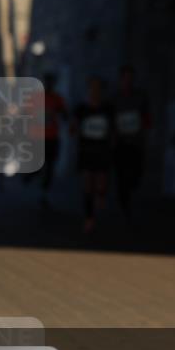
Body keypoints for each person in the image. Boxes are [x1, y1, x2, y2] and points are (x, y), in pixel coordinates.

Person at [71, 76, 114, 233]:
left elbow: (113, 130)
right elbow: (72, 128)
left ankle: (101, 196)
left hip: (103, 151)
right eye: (92, 88)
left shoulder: (108, 109)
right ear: (88, 90)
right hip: (87, 151)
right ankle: (89, 218)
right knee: (88, 185)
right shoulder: (82, 109)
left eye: (98, 88)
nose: (95, 91)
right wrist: (74, 127)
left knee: (101, 183)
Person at [113, 65, 151, 220]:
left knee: (136, 173)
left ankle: (129, 192)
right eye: (125, 78)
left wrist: (146, 128)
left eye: (130, 78)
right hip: (120, 143)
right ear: (121, 79)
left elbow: (146, 116)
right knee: (122, 176)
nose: (128, 81)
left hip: (136, 142)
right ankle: (124, 205)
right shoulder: (115, 98)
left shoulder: (140, 97)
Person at [25, 73, 68, 207]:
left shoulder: (57, 99)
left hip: (52, 138)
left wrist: (63, 115)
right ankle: (31, 175)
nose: (49, 85)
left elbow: (65, 113)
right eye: (47, 82)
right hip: (37, 139)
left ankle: (45, 193)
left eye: (51, 82)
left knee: (49, 166)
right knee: (38, 166)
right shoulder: (35, 98)